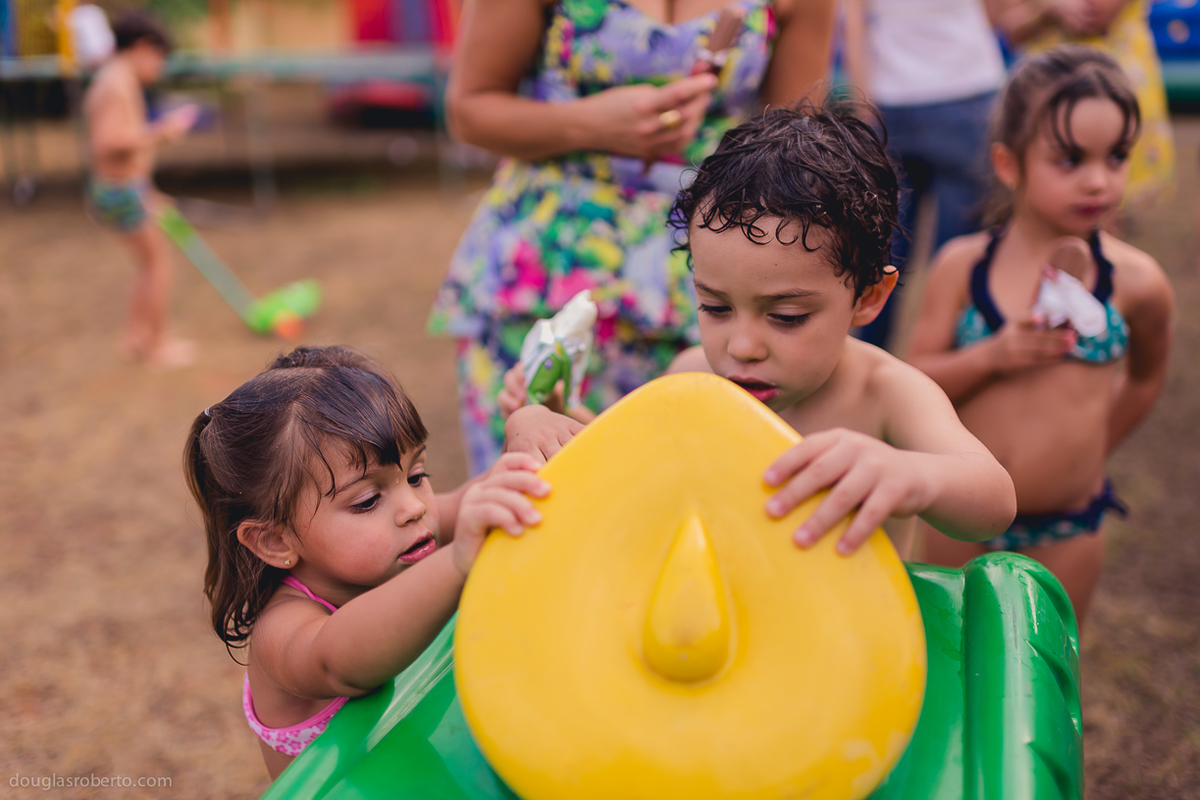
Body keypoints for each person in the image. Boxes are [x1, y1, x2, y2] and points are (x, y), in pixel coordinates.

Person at [503, 103, 1017, 557]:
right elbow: (624, 466)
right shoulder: (692, 377)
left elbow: (995, 501)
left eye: (786, 317)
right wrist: (550, 420)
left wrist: (910, 475)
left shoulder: (886, 395)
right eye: (716, 308)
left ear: (867, 297)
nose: (741, 348)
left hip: (854, 653)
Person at [429, 0, 839, 475]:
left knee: (673, 485)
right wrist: (590, 123)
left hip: (708, 274)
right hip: (545, 270)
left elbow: (795, 140)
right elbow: (468, 109)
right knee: (534, 502)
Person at [184, 346, 555, 779]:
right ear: (274, 540)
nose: (413, 507)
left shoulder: (403, 533)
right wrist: (455, 562)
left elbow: (494, 495)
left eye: (416, 476)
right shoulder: (282, 633)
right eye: (367, 501)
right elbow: (342, 660)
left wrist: (529, 425)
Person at [905, 46, 1174, 627]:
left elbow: (1149, 374)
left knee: (1050, 685)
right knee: (952, 666)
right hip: (961, 515)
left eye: (1117, 156)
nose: (1098, 181)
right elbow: (916, 377)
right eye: (1070, 159)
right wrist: (991, 356)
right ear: (1009, 163)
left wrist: (1090, 451)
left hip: (1067, 527)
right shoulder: (961, 266)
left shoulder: (1138, 282)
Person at [840, 0, 1006, 351]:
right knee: (956, 261)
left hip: (892, 98)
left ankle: (867, 368)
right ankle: (943, 378)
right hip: (968, 90)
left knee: (881, 255)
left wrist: (862, 107)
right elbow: (998, 11)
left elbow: (852, 24)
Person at [83, 11, 198, 367]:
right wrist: (163, 131)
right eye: (160, 58)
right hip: (119, 190)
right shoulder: (118, 83)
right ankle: (157, 345)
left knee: (147, 265)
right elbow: (107, 144)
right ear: (143, 47)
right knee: (158, 264)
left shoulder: (113, 77)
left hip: (125, 188)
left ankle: (135, 337)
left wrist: (148, 192)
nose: (160, 68)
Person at [985, 0, 1174, 210]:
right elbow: (1011, 29)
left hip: (1105, 90)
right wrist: (1051, 7)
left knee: (1098, 204)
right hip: (1042, 93)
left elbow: (1094, 15)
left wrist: (1039, 9)